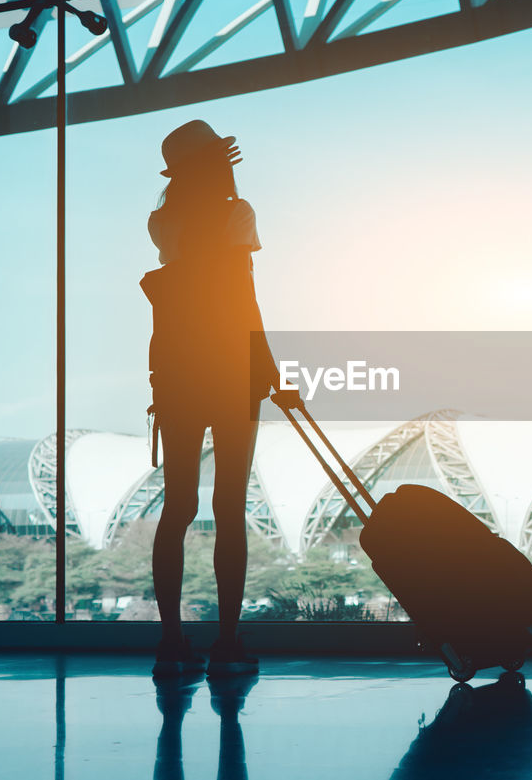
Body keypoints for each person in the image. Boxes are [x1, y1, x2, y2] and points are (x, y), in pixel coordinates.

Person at [140, 119, 300, 678]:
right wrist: (272, 370)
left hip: (178, 371)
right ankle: (228, 640)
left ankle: (170, 640)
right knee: (228, 508)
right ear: (216, 164)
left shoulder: (164, 222)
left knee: (177, 508)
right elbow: (241, 294)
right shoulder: (238, 213)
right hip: (232, 370)